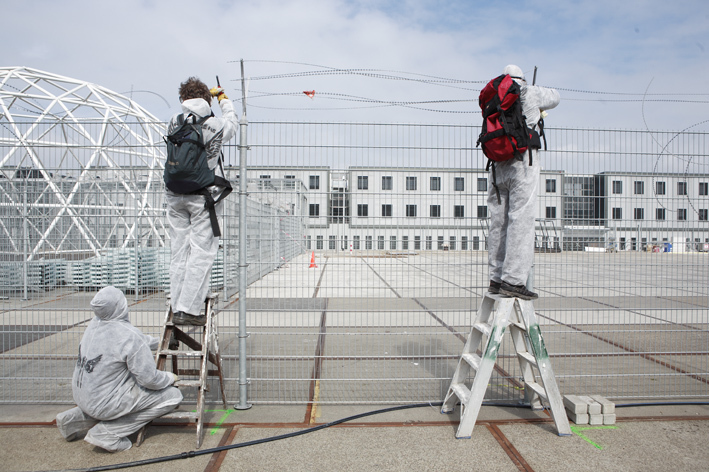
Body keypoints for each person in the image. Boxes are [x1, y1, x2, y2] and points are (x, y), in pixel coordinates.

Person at [55, 286, 182, 452]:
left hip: (83, 396)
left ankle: (70, 421)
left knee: (103, 402)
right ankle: (106, 433)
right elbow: (149, 379)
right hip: (104, 403)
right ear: (120, 307)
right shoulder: (128, 335)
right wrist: (169, 378)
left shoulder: (95, 324)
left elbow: (134, 341)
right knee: (172, 396)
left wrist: (160, 342)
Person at [167, 77, 238, 325]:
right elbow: (233, 123)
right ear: (206, 99)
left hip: (175, 195)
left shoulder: (174, 122)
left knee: (179, 252)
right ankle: (188, 309)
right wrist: (223, 99)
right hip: (204, 196)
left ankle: (176, 304)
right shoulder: (215, 124)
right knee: (201, 252)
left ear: (183, 99)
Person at [487, 65, 560, 300]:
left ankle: (496, 278)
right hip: (522, 163)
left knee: (498, 223)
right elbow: (556, 97)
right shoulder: (528, 91)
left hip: (498, 165)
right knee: (521, 220)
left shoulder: (494, 97)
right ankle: (514, 281)